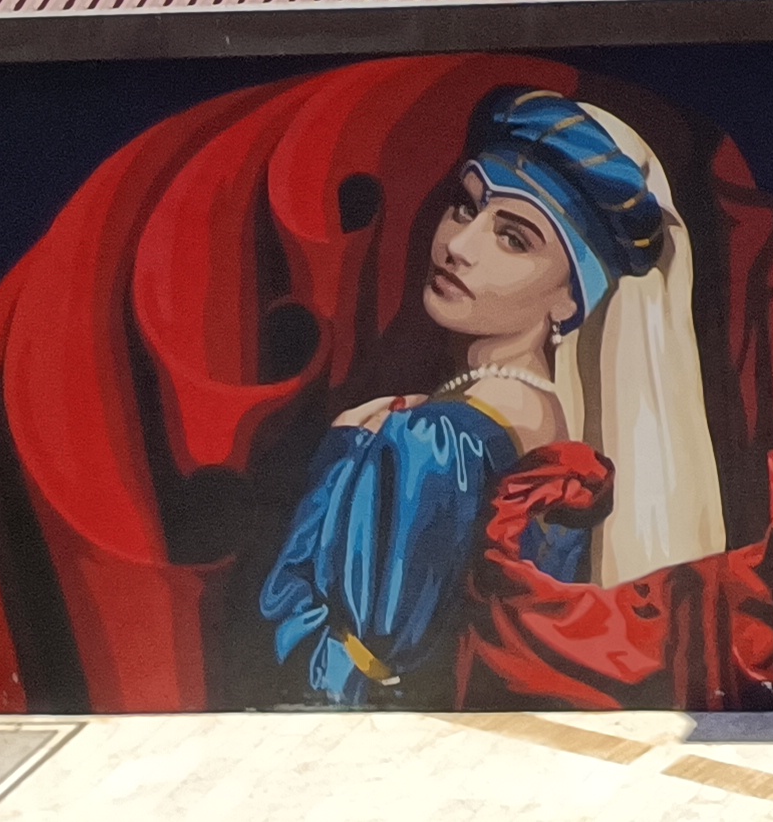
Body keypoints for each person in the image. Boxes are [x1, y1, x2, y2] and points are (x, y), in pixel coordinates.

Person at [259, 90, 727, 706]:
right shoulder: (540, 414)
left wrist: (344, 451)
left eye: (513, 239)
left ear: (570, 298)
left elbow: (355, 668)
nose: (460, 244)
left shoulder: (443, 438)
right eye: (465, 207)